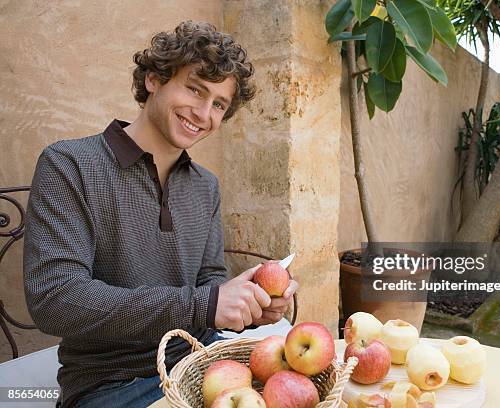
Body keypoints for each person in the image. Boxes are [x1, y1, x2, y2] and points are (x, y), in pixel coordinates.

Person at [22, 21, 298, 408]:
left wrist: (247, 305)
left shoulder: (206, 186)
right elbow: (56, 299)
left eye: (218, 104)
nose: (203, 113)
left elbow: (207, 283)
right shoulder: (69, 165)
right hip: (113, 383)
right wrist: (203, 304)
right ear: (154, 79)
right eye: (195, 88)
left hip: (203, 366)